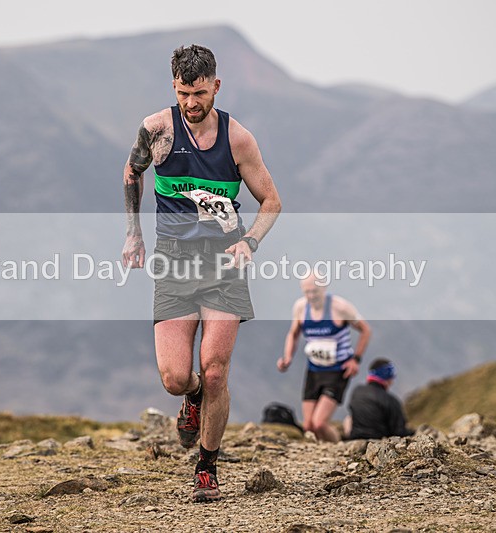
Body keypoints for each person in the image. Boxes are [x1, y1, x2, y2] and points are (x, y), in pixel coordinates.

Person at [121, 44, 281, 502]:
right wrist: (134, 234)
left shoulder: (238, 140)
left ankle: (207, 465)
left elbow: (271, 200)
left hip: (223, 266)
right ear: (174, 87)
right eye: (184, 93)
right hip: (173, 262)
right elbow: (132, 173)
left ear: (217, 86)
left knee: (214, 372)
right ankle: (191, 399)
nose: (192, 103)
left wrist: (250, 241)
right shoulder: (156, 130)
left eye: (200, 93)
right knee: (176, 378)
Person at [277, 274, 371, 442]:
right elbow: (293, 333)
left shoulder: (340, 307)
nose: (311, 296)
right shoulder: (300, 307)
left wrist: (355, 359)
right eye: (307, 292)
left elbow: (365, 330)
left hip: (337, 371)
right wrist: (287, 357)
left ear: (324, 288)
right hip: (314, 370)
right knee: (308, 426)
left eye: (315, 291)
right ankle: (325, 454)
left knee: (319, 423)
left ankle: (339, 448)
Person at [343, 358, 415, 440]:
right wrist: (413, 433)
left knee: (349, 418)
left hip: (355, 438)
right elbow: (399, 431)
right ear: (388, 377)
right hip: (379, 442)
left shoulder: (357, 391)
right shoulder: (390, 400)